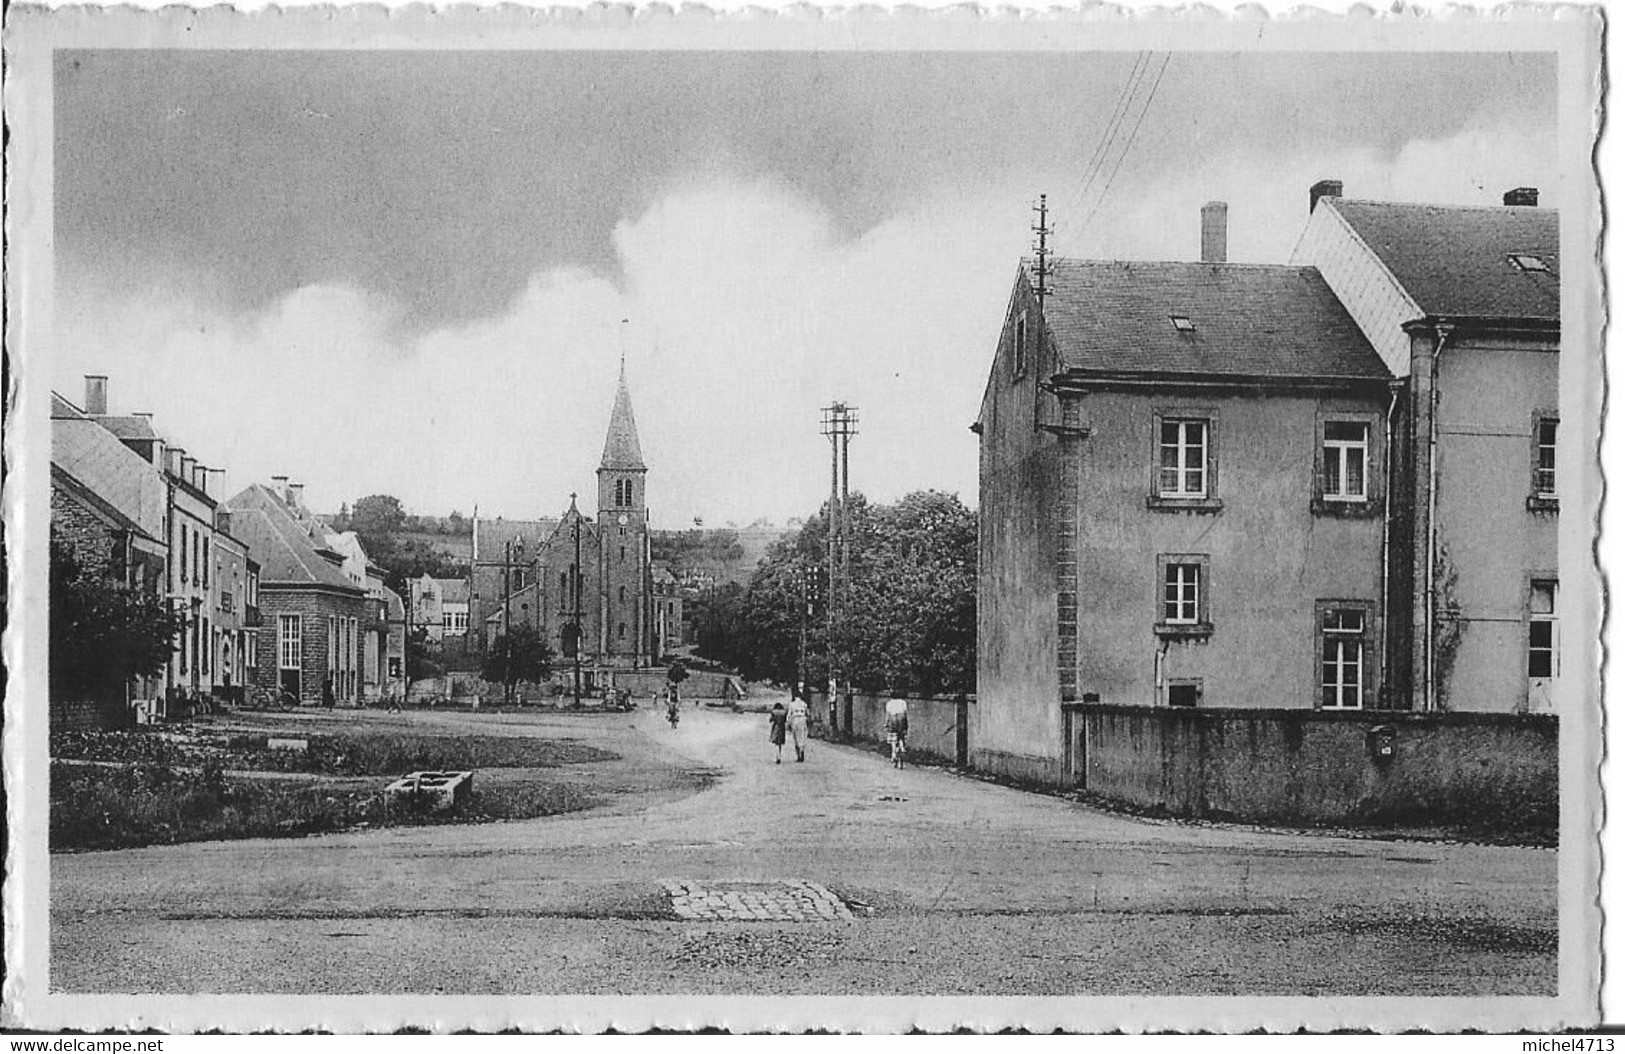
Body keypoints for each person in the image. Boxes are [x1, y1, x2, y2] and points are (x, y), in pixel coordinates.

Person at [885, 692, 909, 769]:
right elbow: (905, 714)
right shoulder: (903, 702)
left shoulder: (889, 703)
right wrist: (906, 725)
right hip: (901, 719)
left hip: (893, 720)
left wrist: (886, 724)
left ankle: (893, 754)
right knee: (901, 736)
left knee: (893, 738)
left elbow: (888, 715)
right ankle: (902, 748)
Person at [787, 695, 810, 763]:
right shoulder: (804, 704)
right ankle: (802, 750)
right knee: (802, 737)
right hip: (803, 720)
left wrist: (788, 724)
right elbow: (808, 714)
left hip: (795, 720)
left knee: (796, 737)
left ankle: (798, 755)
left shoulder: (792, 704)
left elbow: (789, 715)